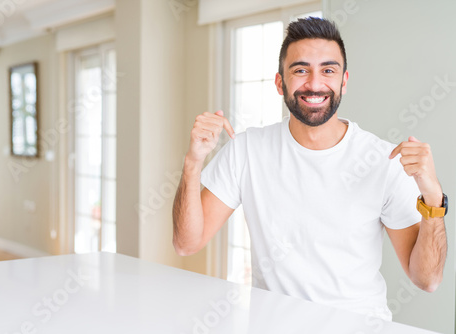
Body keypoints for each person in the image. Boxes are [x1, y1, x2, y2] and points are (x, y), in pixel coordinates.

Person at [172, 17, 447, 321]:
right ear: (280, 83)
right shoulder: (246, 150)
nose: (315, 84)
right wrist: (193, 161)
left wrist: (433, 197)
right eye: (300, 70)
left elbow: (427, 280)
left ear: (344, 81)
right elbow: (186, 244)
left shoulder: (384, 160)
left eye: (328, 70)